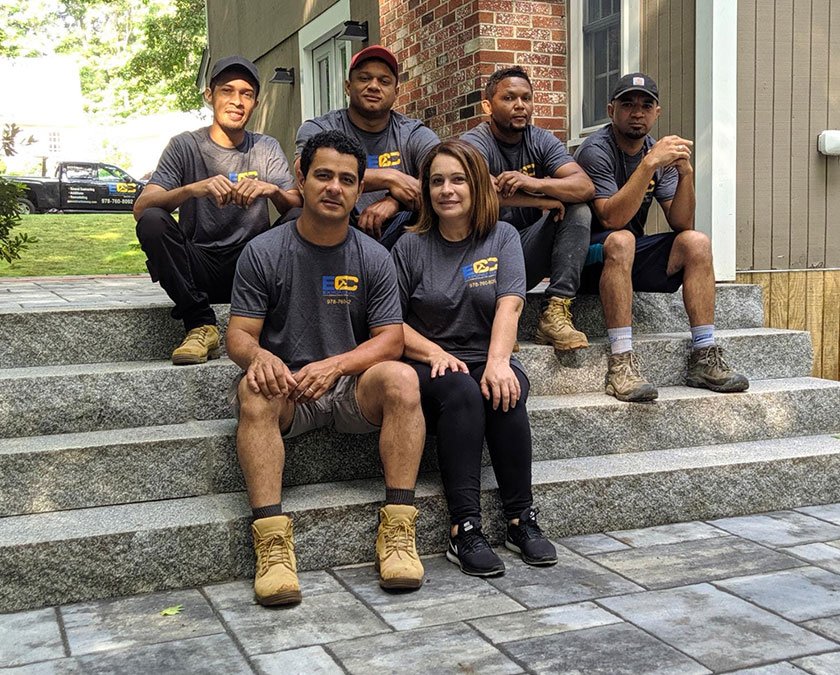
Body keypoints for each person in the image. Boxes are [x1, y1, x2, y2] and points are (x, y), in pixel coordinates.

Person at [226, 130, 427, 606]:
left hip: (351, 387)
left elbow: (392, 339)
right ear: (302, 177)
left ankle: (398, 530)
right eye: (323, 176)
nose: (334, 187)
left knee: (402, 376)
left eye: (347, 180)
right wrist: (260, 357)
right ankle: (272, 544)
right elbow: (237, 335)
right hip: (288, 388)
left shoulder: (373, 256)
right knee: (252, 391)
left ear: (360, 190)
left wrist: (337, 365)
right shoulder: (263, 252)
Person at [391, 139, 557, 577]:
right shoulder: (409, 247)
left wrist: (500, 362)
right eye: (437, 181)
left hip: (487, 353)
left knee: (506, 389)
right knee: (464, 391)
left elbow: (511, 304)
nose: (447, 190)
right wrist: (434, 353)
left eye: (458, 180)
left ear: (476, 186)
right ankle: (463, 528)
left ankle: (521, 520)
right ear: (426, 190)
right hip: (429, 360)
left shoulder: (502, 236)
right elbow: (390, 323)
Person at [574, 72, 748, 402]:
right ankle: (621, 363)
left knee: (696, 242)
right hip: (586, 259)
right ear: (611, 111)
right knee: (622, 238)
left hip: (624, 257)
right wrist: (648, 165)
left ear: (658, 113)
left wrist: (685, 174)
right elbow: (611, 218)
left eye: (645, 105)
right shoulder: (595, 150)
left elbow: (682, 222)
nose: (637, 112)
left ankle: (703, 354)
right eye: (627, 105)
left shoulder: (658, 154)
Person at [134, 55, 301, 365]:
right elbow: (141, 207)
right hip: (200, 265)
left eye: (246, 94)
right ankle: (200, 324)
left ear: (256, 103)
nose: (237, 101)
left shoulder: (265, 147)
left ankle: (286, 323)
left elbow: (298, 205)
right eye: (227, 91)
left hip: (253, 264)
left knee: (298, 219)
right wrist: (192, 189)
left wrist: (273, 190)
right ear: (209, 96)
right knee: (153, 221)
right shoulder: (184, 146)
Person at [461, 67, 596, 351]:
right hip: (482, 260)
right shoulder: (475, 143)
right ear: (488, 105)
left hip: (525, 253)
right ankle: (490, 322)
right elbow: (481, 194)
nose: (520, 106)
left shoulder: (541, 140)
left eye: (526, 98)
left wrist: (532, 182)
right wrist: (540, 199)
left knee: (579, 208)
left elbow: (584, 186)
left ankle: (555, 312)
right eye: (509, 98)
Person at [294, 45, 440, 249]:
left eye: (384, 81)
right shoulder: (320, 128)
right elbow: (304, 170)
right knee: (293, 215)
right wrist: (391, 177)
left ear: (396, 92)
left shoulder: (412, 133)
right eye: (364, 78)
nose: (373, 86)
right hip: (338, 230)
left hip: (400, 234)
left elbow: (445, 176)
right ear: (348, 86)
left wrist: (394, 201)